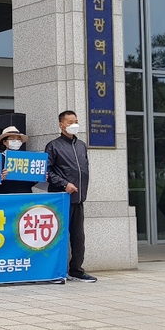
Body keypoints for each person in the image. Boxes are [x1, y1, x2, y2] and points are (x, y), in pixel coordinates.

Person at [46, 110, 95, 282]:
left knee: (78, 237)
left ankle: (76, 270)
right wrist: (64, 184)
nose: (74, 124)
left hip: (78, 199)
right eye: (70, 121)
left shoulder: (81, 145)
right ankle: (56, 271)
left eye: (76, 121)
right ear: (61, 125)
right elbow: (47, 171)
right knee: (58, 236)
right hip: (61, 198)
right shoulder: (53, 146)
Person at [0, 126, 35, 195]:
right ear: (5, 142)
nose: (16, 141)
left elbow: (30, 182)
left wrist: (38, 176)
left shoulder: (27, 158)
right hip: (4, 197)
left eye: (18, 139)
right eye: (12, 139)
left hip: (24, 196)